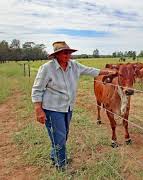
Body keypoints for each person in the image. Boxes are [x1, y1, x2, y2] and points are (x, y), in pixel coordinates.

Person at [31, 41, 116, 171]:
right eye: (64, 52)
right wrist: (38, 109)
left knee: (63, 135)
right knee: (59, 137)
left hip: (68, 108)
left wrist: (110, 71)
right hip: (52, 109)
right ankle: (62, 166)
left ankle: (55, 157)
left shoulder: (74, 66)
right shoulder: (47, 68)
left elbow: (91, 70)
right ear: (57, 55)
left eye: (69, 52)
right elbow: (37, 89)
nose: (67, 55)